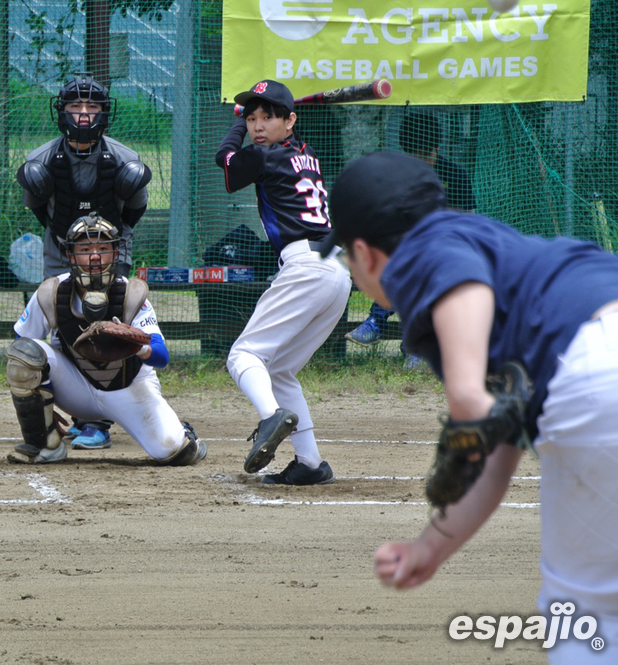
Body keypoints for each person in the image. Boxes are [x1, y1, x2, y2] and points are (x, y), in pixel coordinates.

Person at [328, 150, 618, 664]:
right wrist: (429, 547)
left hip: (596, 372)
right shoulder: (492, 245)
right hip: (596, 351)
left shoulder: (428, 251)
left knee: (585, 619)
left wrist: (465, 392)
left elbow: (455, 275)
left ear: (364, 254)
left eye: (347, 258)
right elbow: (496, 454)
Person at [214, 80, 352, 485]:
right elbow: (248, 155)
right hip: (335, 271)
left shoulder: (264, 156)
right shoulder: (305, 154)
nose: (258, 125)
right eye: (253, 117)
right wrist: (256, 119)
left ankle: (271, 415)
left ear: (290, 121)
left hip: (306, 267)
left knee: (243, 357)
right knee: (281, 371)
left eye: (268, 117)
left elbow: (224, 160)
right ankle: (310, 464)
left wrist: (236, 124)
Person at [4, 213, 207, 468]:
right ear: (70, 255)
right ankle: (45, 445)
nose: (95, 256)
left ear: (116, 253)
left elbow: (161, 356)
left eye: (103, 248)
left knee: (174, 452)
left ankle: (183, 434)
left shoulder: (131, 293)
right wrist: (38, 410)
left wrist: (137, 344)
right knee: (25, 353)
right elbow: (21, 344)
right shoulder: (51, 292)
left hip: (129, 387)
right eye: (85, 249)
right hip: (76, 387)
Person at [16, 73, 153, 450]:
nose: (84, 114)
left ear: (104, 113)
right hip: (60, 249)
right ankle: (62, 406)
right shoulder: (39, 160)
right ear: (62, 111)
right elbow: (41, 211)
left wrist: (102, 249)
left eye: (92, 106)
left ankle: (101, 420)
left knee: (109, 326)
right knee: (63, 325)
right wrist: (70, 246)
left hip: (111, 251)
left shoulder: (126, 159)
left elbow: (133, 212)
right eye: (76, 106)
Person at [345, 111, 476, 364]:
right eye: (415, 155)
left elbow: (467, 225)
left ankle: (408, 339)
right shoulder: (398, 178)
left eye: (426, 154)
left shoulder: (455, 176)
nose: (421, 162)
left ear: (437, 147)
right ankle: (387, 328)